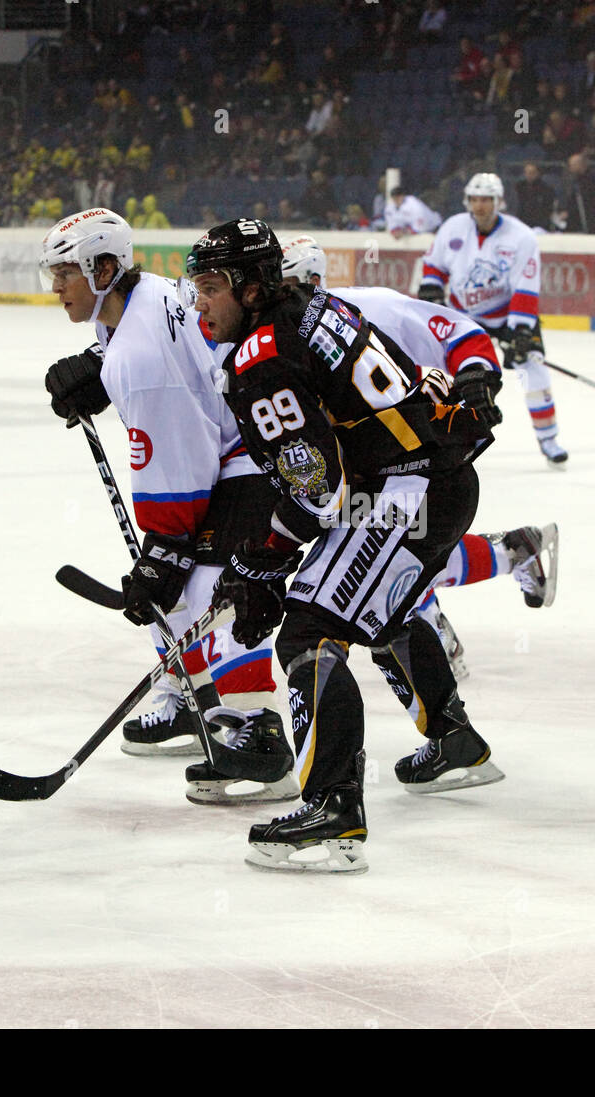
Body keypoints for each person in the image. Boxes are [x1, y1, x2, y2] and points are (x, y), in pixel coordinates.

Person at [186, 218, 505, 874]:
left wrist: (259, 561)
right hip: (435, 477)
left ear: (250, 290)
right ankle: (455, 740)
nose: (200, 303)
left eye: (211, 286)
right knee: (378, 611)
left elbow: (317, 488)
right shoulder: (317, 306)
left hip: (404, 491)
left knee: (309, 631)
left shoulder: (260, 358)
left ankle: (334, 814)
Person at [38, 208, 297, 803]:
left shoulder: (139, 358)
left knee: (213, 589)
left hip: (252, 453)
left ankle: (257, 739)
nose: (56, 289)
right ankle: (190, 698)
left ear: (104, 268)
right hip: (242, 438)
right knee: (185, 584)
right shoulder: (142, 296)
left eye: (65, 275)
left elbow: (182, 458)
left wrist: (166, 547)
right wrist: (100, 372)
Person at [278, 234, 560, 679]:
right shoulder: (276, 334)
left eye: (285, 285)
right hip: (364, 467)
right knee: (380, 542)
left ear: (312, 281)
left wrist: (477, 380)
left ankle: (428, 628)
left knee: (385, 543)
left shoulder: (368, 307)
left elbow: (463, 332)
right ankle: (511, 552)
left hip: (422, 457)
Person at [415, 172, 568, 467]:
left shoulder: (521, 236)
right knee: (449, 376)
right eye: (475, 199)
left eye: (486, 199)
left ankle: (549, 440)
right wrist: (432, 291)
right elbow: (433, 265)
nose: (480, 205)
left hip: (508, 313)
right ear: (467, 201)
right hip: (464, 317)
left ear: (499, 202)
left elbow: (525, 286)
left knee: (534, 372)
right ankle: (448, 440)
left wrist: (520, 331)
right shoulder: (453, 228)